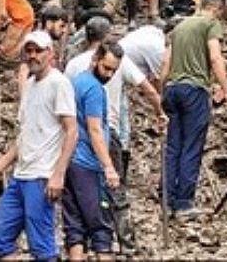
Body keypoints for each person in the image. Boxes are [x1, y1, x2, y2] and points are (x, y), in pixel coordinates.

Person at [65, 18, 167, 248]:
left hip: (76, 136)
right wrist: (160, 113)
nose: (110, 73)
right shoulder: (118, 62)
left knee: (82, 193)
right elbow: (149, 90)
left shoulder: (73, 65)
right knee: (114, 190)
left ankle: (89, 241)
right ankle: (123, 243)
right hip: (104, 131)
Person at [0, 31, 77, 261]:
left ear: (50, 53)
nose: (33, 55)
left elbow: (72, 131)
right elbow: (26, 134)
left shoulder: (59, 83)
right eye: (29, 51)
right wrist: (0, 165)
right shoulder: (30, 85)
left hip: (42, 175)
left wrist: (58, 174)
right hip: (21, 174)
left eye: (38, 50)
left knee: (42, 246)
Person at [160, 0, 227, 217]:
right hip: (194, 90)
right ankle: (183, 203)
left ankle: (167, 198)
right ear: (216, 9)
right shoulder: (210, 24)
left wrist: (161, 91)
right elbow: (215, 57)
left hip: (172, 89)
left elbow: (166, 62)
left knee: (173, 146)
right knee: (191, 146)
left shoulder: (180, 27)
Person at [63, 41, 124, 260]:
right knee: (101, 227)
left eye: (113, 71)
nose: (108, 74)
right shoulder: (93, 90)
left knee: (75, 226)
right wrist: (108, 167)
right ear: (95, 60)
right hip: (88, 163)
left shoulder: (77, 81)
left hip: (70, 161)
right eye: (106, 68)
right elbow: (95, 129)